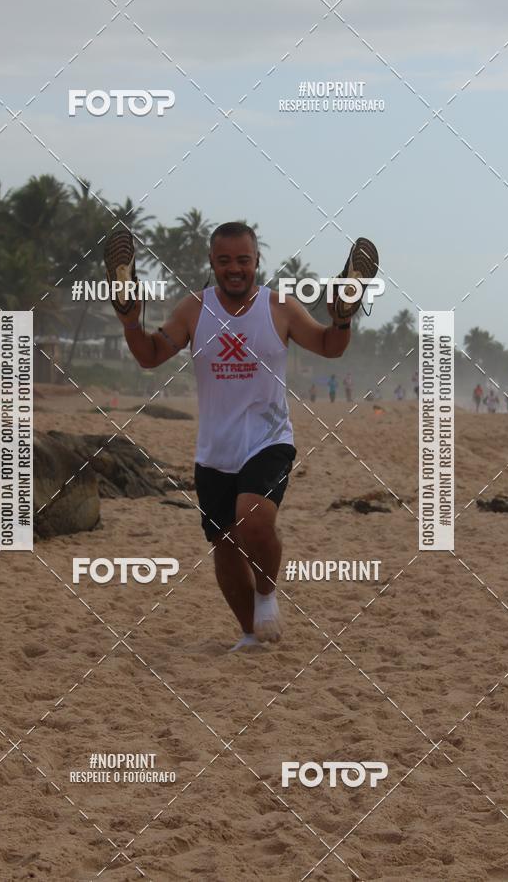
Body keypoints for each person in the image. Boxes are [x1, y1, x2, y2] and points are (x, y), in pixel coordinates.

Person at [108, 222, 378, 649]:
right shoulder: (194, 309)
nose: (234, 269)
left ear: (257, 261)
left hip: (269, 439)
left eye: (243, 260)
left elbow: (329, 346)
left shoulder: (280, 308)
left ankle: (267, 595)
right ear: (211, 262)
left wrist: (341, 321)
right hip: (215, 449)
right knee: (225, 544)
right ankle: (251, 634)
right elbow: (150, 355)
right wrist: (129, 322)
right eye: (224, 261)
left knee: (253, 520)